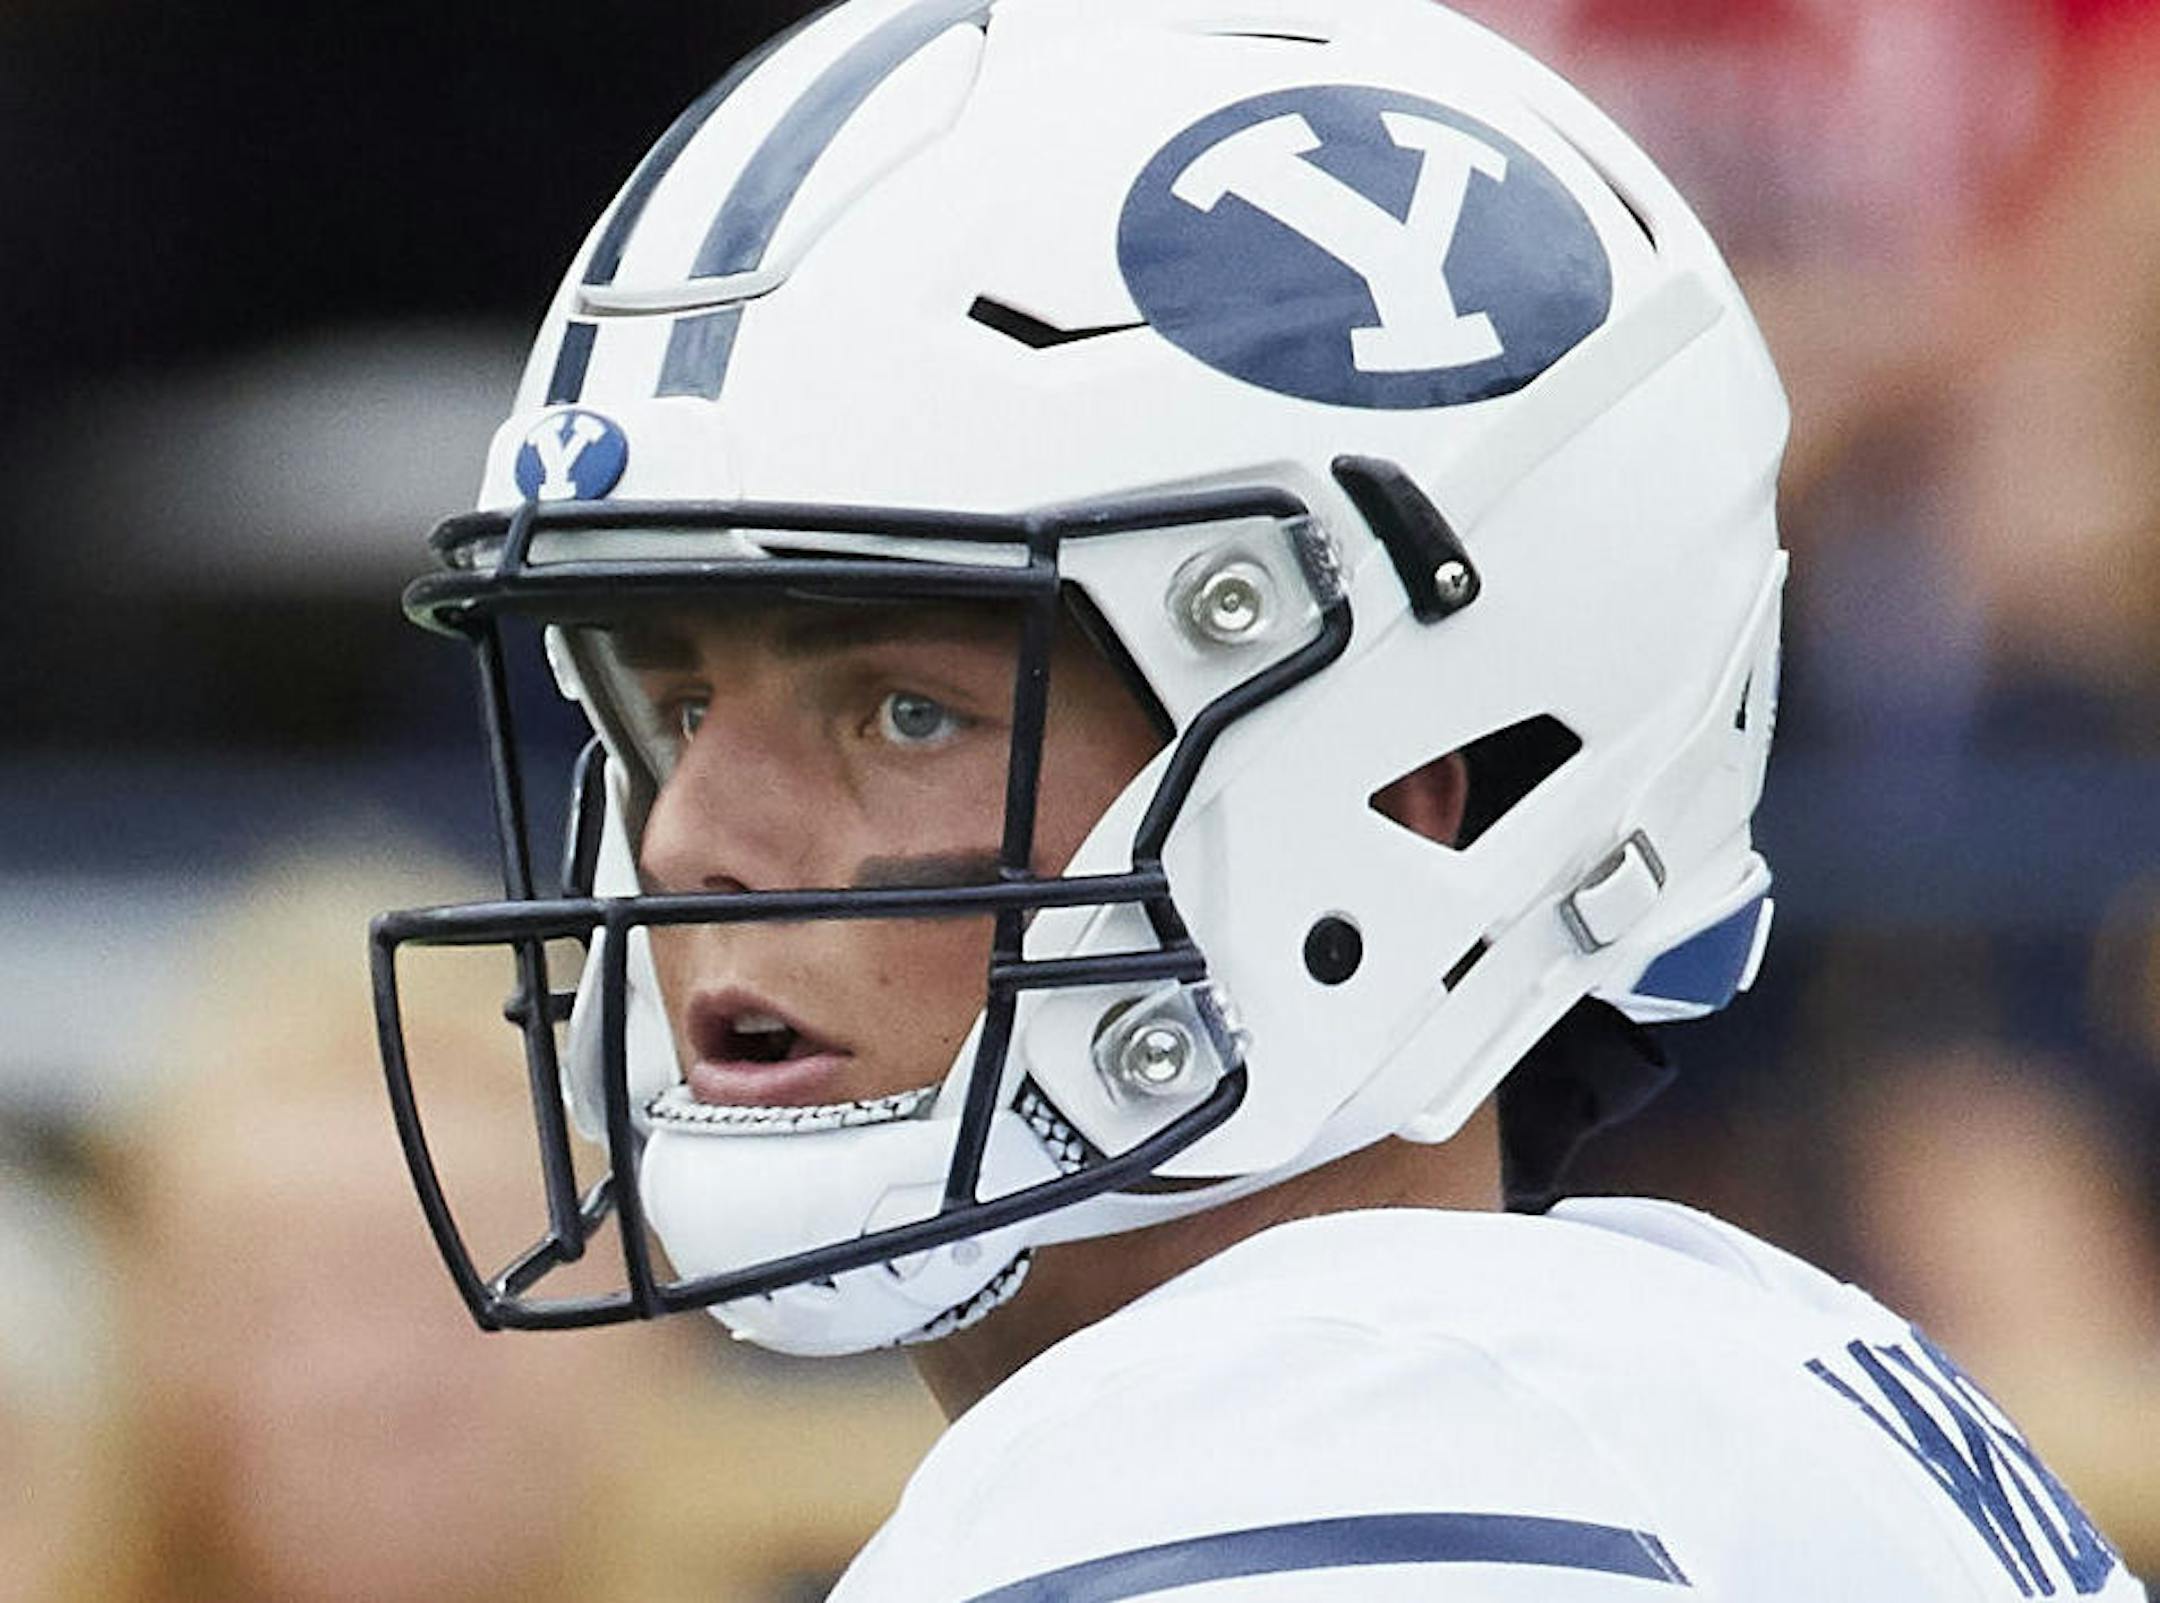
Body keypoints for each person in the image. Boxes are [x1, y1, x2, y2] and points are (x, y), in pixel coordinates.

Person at [371, 0, 2151, 1596]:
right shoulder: (1732, 1372)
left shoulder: (1306, 1473)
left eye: (901, 709)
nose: (688, 840)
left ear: (1423, 797)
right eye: (673, 700)